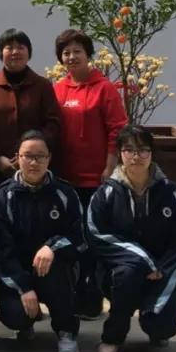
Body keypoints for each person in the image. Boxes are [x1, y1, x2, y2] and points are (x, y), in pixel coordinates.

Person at [86, 125, 176, 352]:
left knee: (162, 327)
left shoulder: (170, 193)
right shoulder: (106, 193)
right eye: (129, 150)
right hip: (121, 271)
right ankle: (113, 337)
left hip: (160, 271)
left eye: (143, 150)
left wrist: (162, 269)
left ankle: (156, 320)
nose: (136, 156)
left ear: (152, 153)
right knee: (127, 275)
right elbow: (96, 234)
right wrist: (143, 261)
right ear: (120, 153)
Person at [52, 29, 128, 319]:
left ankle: (92, 298)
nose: (71, 57)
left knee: (92, 240)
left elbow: (117, 129)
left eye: (77, 52)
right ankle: (67, 295)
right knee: (68, 240)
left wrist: (109, 166)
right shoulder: (58, 89)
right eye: (66, 53)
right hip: (64, 180)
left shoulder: (104, 89)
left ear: (88, 55)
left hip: (94, 179)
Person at [0, 130, 83, 352]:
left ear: (49, 158)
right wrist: (23, 286)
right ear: (17, 158)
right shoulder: (3, 196)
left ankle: (66, 331)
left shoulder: (65, 193)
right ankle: (25, 324)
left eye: (40, 156)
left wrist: (52, 247)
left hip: (53, 269)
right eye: (28, 156)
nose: (34, 162)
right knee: (14, 315)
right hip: (18, 271)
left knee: (57, 268)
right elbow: (2, 249)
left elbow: (79, 238)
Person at [0, 28, 61, 194]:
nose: (15, 52)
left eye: (21, 47)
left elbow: (53, 122)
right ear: (1, 53)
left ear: (29, 52)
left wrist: (34, 152)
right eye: (9, 47)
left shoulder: (43, 85)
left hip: (35, 165)